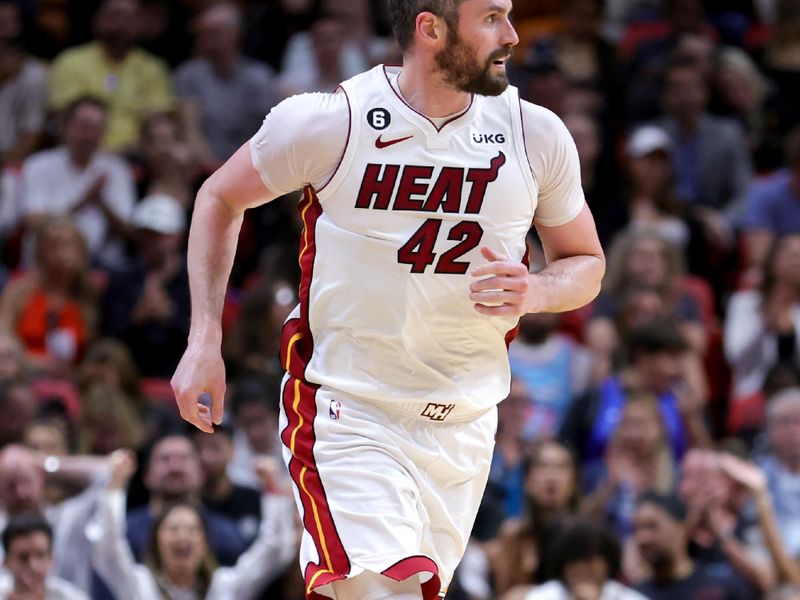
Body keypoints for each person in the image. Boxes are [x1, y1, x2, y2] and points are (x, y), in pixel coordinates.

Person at [171, 0, 606, 598]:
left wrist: (535, 290)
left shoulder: (536, 134)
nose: (511, 35)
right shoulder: (332, 122)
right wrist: (203, 340)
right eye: (491, 18)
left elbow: (586, 264)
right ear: (430, 28)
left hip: (464, 420)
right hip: (351, 406)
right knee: (381, 592)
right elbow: (219, 198)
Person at [91, 449, 297, 600]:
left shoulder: (223, 586)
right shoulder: (138, 584)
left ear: (205, 542)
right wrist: (114, 487)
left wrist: (271, 489)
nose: (183, 536)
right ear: (156, 540)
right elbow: (108, 548)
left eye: (192, 529)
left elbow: (273, 551)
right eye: (173, 529)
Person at [633, 492, 752, 599]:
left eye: (652, 526)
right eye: (637, 528)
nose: (642, 538)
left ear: (681, 529)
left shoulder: (721, 588)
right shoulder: (634, 596)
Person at [0, 512, 89, 600]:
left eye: (40, 555)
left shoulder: (73, 597)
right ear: (6, 562)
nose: (33, 566)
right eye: (23, 558)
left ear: (51, 559)